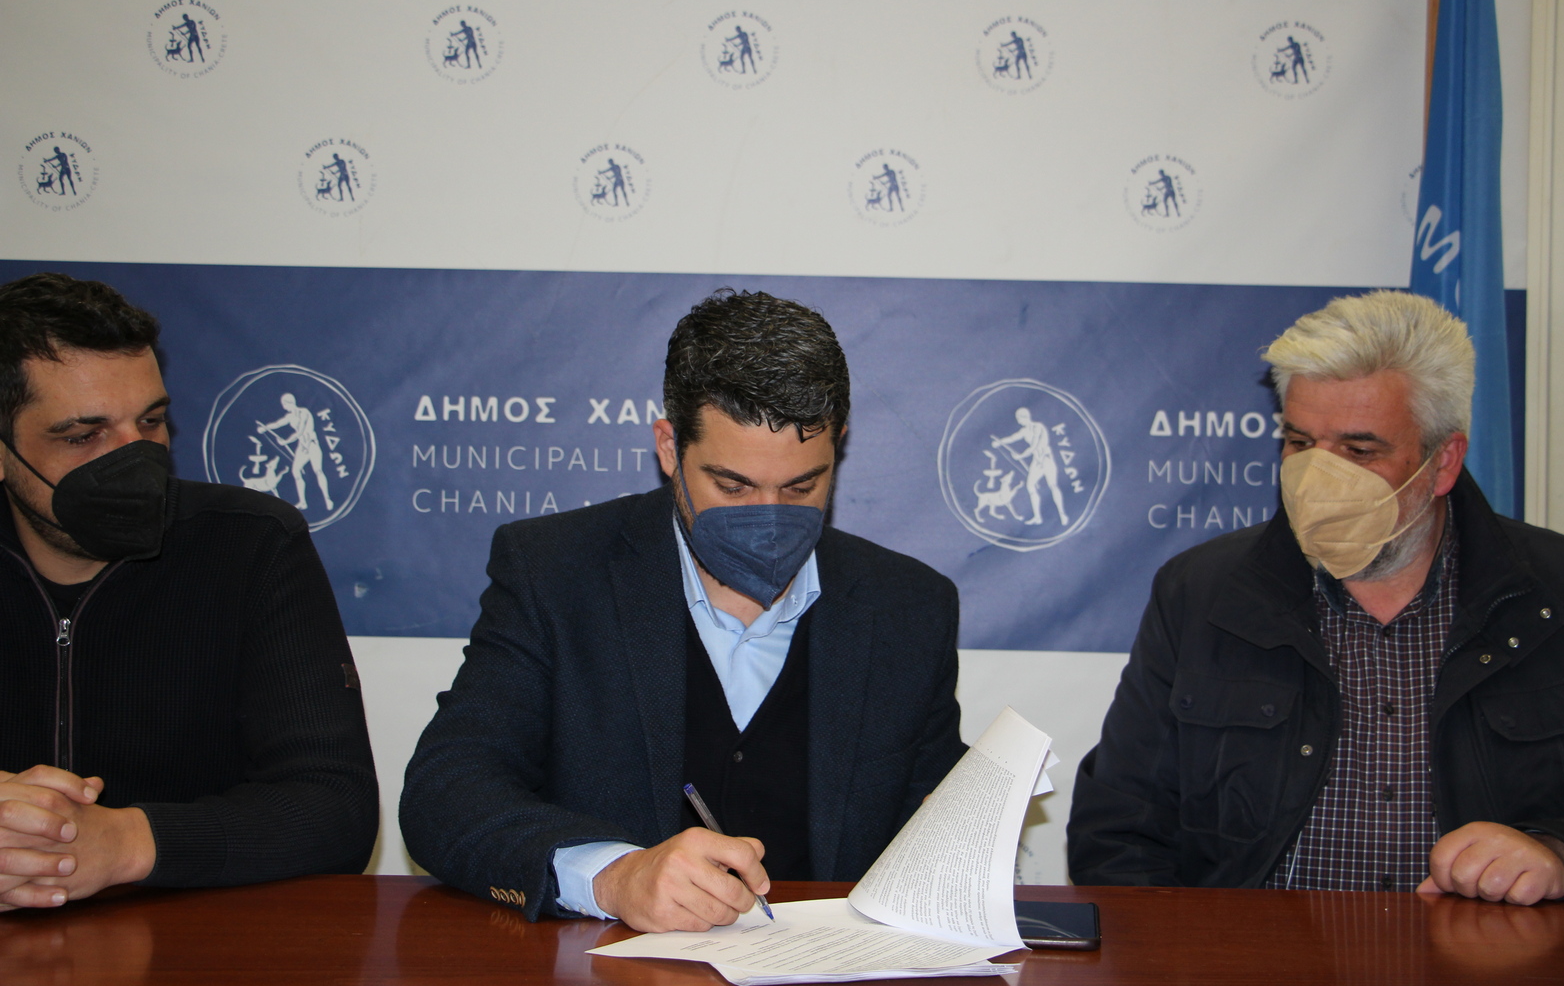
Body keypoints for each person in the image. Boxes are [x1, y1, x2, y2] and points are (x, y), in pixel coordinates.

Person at [401, 289, 965, 932]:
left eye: (801, 486)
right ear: (669, 448)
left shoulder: (908, 607)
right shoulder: (554, 573)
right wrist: (613, 877)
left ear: (838, 446)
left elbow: (936, 827)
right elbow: (445, 793)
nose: (769, 519)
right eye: (733, 486)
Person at [1069, 290, 1564, 905]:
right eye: (1299, 443)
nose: (1317, 478)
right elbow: (1118, 831)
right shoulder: (1200, 593)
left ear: (1444, 461)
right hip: (1258, 955)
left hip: (1487, 957)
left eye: (1359, 450)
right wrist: (1191, 953)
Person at [0, 272, 378, 911]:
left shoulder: (250, 543)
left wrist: (125, 842)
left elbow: (335, 807)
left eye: (150, 422)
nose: (135, 460)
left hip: (190, 938)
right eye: (83, 436)